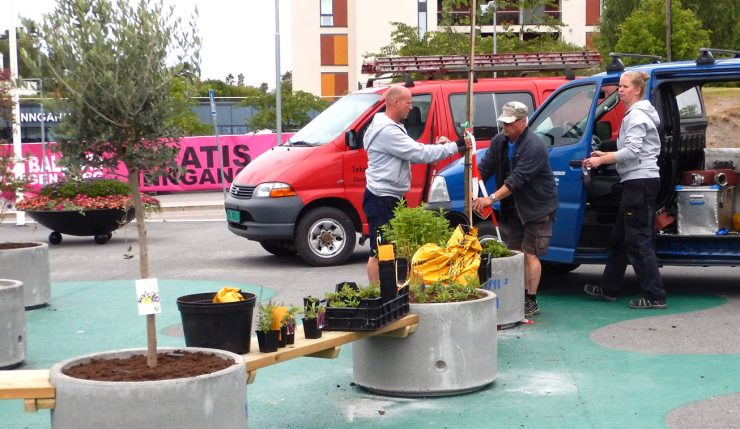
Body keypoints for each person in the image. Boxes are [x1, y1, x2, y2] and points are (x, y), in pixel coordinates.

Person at [363, 85, 470, 284]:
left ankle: (386, 292)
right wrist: (456, 146)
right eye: (408, 102)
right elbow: (418, 153)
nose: (411, 107)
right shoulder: (387, 130)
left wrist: (441, 147)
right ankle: (377, 295)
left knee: (387, 248)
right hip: (381, 198)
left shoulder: (388, 126)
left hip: (387, 196)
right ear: (395, 102)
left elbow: (410, 150)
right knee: (380, 251)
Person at [582, 71, 667, 309]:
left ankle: (655, 296)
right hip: (637, 181)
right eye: (619, 86)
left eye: (625, 86)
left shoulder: (637, 116)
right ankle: (609, 288)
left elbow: (633, 152)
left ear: (637, 90)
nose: (620, 90)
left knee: (638, 240)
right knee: (620, 237)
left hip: (639, 182)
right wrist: (606, 154)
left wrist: (602, 160)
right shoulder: (637, 113)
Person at [471, 101, 558, 317]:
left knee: (530, 253)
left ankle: (531, 299)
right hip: (515, 207)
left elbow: (517, 180)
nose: (505, 127)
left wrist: (490, 198)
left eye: (509, 123)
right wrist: (472, 188)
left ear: (522, 121)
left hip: (537, 207)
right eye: (503, 122)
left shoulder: (534, 146)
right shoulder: (500, 141)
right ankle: (516, 296)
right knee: (514, 252)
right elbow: (485, 167)